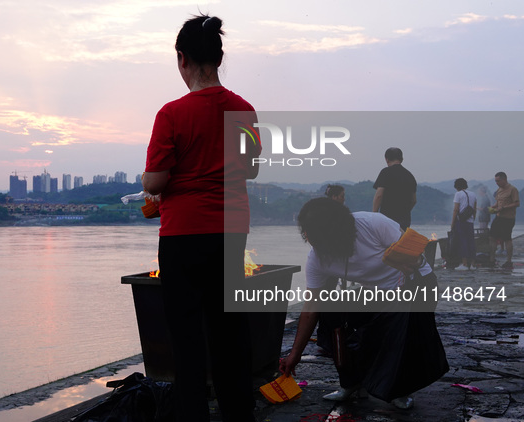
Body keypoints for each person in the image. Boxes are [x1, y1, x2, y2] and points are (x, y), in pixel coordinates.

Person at [142, 14, 260, 422]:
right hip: (230, 231)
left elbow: (156, 182)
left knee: (187, 341)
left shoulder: (172, 114)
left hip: (183, 236)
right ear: (219, 57)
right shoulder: (244, 109)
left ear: (182, 59)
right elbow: (251, 170)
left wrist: (148, 179)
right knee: (231, 336)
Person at [280, 197, 448, 410]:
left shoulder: (372, 224)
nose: (318, 245)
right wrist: (295, 355)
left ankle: (401, 389)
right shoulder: (317, 257)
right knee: (331, 313)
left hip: (416, 285)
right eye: (310, 238)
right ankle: (351, 383)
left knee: (398, 326)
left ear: (338, 230)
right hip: (375, 293)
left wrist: (410, 261)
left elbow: (416, 253)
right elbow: (310, 307)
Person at [372, 147, 417, 231]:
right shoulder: (410, 176)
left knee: (387, 243)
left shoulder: (385, 172)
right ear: (402, 159)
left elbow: (379, 195)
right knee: (401, 242)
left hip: (387, 219)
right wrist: (405, 211)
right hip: (405, 220)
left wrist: (374, 215)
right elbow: (414, 200)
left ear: (387, 159)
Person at [488, 172, 520, 269]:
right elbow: (498, 202)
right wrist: (492, 208)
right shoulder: (499, 190)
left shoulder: (512, 189)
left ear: (504, 179)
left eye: (498, 181)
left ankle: (509, 261)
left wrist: (504, 207)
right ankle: (491, 259)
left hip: (508, 218)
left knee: (507, 239)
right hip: (498, 217)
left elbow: (517, 203)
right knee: (492, 237)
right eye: (495, 181)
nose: (496, 183)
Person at [451, 178, 477, 271]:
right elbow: (474, 209)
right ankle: (473, 264)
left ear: (457, 186)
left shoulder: (458, 194)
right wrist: (473, 219)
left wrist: (452, 223)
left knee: (462, 242)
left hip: (461, 221)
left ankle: (464, 264)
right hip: (470, 222)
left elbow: (456, 210)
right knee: (471, 241)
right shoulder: (473, 194)